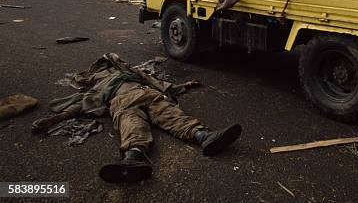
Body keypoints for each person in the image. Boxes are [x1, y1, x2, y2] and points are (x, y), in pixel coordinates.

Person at [31, 53, 242, 184]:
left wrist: (184, 86)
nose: (112, 66)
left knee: (172, 116)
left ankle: (205, 137)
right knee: (132, 125)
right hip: (123, 101)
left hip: (147, 93)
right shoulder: (99, 85)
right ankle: (133, 159)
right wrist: (54, 120)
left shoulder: (134, 74)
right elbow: (79, 106)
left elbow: (158, 83)